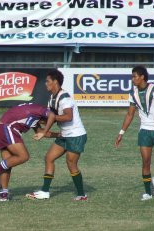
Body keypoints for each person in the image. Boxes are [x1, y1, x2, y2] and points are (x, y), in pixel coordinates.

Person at [26, 69, 88, 201]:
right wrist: (34, 121)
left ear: (55, 82)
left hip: (75, 135)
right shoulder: (52, 98)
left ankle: (82, 195)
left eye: (48, 81)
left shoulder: (64, 97)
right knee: (49, 158)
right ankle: (45, 192)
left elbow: (68, 116)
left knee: (71, 164)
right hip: (64, 134)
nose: (45, 83)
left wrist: (47, 126)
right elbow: (50, 117)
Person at [114, 65, 154, 201]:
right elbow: (129, 114)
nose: (132, 79)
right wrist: (121, 133)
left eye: (134, 77)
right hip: (144, 131)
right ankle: (147, 193)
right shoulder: (133, 94)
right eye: (132, 77)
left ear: (142, 77)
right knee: (146, 162)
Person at [0, 103, 56, 202]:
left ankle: (3, 195)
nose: (47, 124)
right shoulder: (40, 109)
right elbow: (52, 116)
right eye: (50, 122)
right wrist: (45, 130)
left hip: (2, 128)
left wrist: (60, 135)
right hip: (7, 128)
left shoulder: (35, 114)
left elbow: (40, 131)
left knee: (7, 163)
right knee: (23, 156)